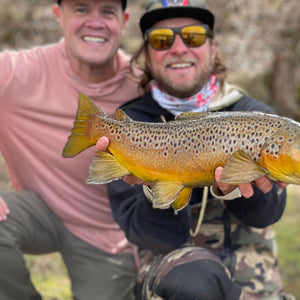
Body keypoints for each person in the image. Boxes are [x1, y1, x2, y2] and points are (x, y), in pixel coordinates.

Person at [97, 0, 295, 299]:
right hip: (171, 274)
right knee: (195, 280)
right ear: (147, 57)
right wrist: (158, 186)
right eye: (162, 40)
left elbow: (266, 216)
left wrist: (239, 186)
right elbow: (151, 236)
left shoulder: (255, 115)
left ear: (213, 49)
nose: (178, 48)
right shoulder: (129, 126)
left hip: (253, 279)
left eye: (193, 36)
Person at [0, 0, 141, 299]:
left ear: (124, 20)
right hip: (40, 211)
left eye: (107, 11)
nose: (95, 22)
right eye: (80, 9)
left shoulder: (142, 85)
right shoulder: (16, 73)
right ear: (58, 15)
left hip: (108, 236)